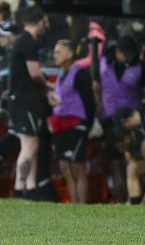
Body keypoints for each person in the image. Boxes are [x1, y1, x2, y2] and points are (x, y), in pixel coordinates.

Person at [98, 35, 145, 202]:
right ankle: (119, 196)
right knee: (114, 161)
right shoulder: (104, 63)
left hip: (130, 122)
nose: (129, 56)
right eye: (125, 53)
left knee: (132, 159)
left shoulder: (140, 68)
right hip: (108, 120)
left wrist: (141, 115)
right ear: (118, 52)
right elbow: (95, 86)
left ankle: (133, 197)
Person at [9, 6, 50, 199]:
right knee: (29, 143)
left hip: (24, 100)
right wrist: (47, 86)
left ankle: (31, 188)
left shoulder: (23, 41)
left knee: (33, 142)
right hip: (24, 101)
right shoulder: (28, 42)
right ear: (40, 20)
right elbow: (34, 73)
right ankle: (19, 189)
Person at [47, 40, 95, 203]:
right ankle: (74, 208)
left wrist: (86, 126)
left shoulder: (80, 73)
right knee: (65, 168)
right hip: (60, 127)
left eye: (58, 52)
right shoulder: (60, 75)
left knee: (77, 168)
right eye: (54, 52)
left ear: (70, 54)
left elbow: (89, 101)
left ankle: (82, 209)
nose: (54, 55)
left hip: (76, 126)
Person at [112, 112, 145, 205]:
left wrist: (143, 202)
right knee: (131, 167)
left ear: (127, 139)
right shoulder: (127, 151)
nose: (120, 150)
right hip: (143, 165)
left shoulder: (144, 142)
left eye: (121, 147)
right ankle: (134, 201)